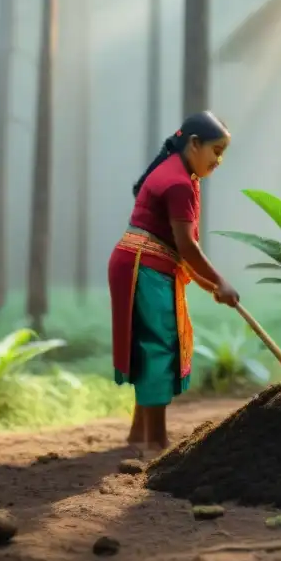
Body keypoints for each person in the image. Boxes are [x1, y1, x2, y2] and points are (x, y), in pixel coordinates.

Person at [107, 111, 240, 456]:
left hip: (144, 263)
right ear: (194, 144)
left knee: (149, 345)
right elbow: (187, 246)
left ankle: (139, 434)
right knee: (158, 348)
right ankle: (156, 443)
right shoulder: (179, 182)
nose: (219, 160)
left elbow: (179, 249)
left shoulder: (182, 175)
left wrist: (210, 283)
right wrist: (220, 281)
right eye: (216, 150)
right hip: (144, 267)